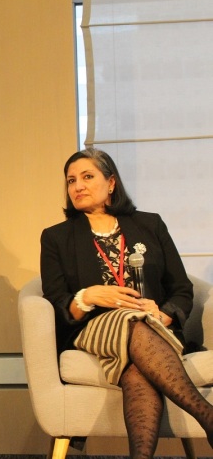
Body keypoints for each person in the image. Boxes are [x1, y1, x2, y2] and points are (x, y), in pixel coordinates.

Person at [40, 147, 213, 458]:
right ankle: (208, 416)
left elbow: (181, 288)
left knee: (136, 370)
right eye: (71, 180)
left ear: (111, 183)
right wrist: (89, 296)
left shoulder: (150, 224)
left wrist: (164, 314)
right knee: (129, 318)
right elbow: (56, 301)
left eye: (87, 177)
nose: (77, 186)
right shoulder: (56, 237)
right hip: (92, 329)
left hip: (155, 328)